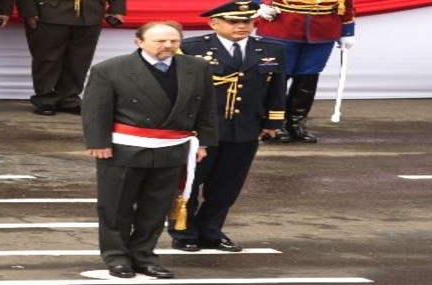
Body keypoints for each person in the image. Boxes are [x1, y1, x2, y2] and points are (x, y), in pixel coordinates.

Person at [81, 21, 218, 279]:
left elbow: (206, 106)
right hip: (124, 148)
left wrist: (205, 142)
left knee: (156, 207)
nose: (167, 46)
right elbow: (96, 109)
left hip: (172, 147)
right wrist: (98, 143)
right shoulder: (110, 69)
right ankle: (117, 257)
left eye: (173, 41)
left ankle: (144, 256)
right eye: (159, 41)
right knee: (116, 207)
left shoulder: (197, 67)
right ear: (139, 41)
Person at [168, 1, 286, 252]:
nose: (242, 26)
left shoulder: (271, 48)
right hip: (200, 130)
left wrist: (273, 121)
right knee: (190, 182)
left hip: (244, 127)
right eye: (233, 21)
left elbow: (276, 87)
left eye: (247, 21)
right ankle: (183, 231)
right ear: (214, 23)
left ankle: (211, 231)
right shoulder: (191, 48)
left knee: (227, 184)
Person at [255, 0, 355, 143]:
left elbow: (347, 3)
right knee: (277, 78)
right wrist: (258, 5)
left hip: (323, 28)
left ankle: (296, 124)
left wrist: (347, 30)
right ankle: (274, 124)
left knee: (308, 79)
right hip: (283, 25)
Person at [15, 0, 125, 116]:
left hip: (89, 11)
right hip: (48, 11)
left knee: (80, 59)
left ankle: (69, 99)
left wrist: (116, 9)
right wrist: (28, 10)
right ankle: (45, 98)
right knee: (47, 58)